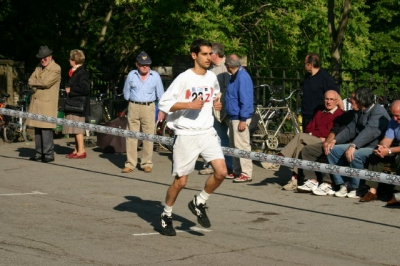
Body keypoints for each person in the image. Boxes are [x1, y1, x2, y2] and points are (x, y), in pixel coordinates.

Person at [157, 39, 227, 236]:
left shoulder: (211, 77)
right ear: (194, 55)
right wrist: (188, 104)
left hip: (206, 132)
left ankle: (199, 201)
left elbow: (215, 96)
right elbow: (164, 104)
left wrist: (217, 104)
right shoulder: (183, 78)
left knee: (221, 172)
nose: (209, 58)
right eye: (204, 54)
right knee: (181, 182)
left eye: (210, 54)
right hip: (186, 134)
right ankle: (166, 214)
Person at [327, 87, 390, 198]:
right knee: (333, 150)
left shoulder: (378, 111)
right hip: (359, 144)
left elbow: (370, 131)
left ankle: (357, 187)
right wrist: (334, 140)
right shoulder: (359, 112)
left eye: (353, 98)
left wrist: (353, 145)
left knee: (355, 154)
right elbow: (350, 129)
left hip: (373, 147)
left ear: (362, 100)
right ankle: (343, 183)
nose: (350, 100)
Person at [296, 92, 359, 196]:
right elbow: (334, 130)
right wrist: (328, 141)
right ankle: (312, 180)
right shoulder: (347, 114)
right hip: (333, 140)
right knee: (307, 150)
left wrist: (334, 142)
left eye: (352, 99)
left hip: (350, 144)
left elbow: (364, 133)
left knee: (331, 150)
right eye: (326, 99)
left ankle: (328, 183)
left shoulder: (342, 113)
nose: (349, 101)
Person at [281, 90, 343, 191]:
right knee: (300, 146)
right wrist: (317, 134)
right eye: (326, 99)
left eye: (331, 99)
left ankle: (280, 157)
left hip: (326, 142)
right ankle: (295, 178)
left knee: (300, 136)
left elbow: (329, 131)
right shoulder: (320, 112)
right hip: (316, 139)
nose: (328, 101)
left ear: (336, 101)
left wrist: (316, 134)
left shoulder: (339, 114)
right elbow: (309, 128)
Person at [121, 51, 165, 173]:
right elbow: (126, 93)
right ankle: (130, 163)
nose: (145, 66)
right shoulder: (131, 75)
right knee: (131, 136)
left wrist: (161, 110)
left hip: (149, 107)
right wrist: (131, 102)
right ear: (137, 64)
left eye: (147, 64)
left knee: (148, 136)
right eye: (142, 64)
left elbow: (161, 94)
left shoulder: (155, 76)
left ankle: (146, 163)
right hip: (133, 106)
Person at [199, 42, 232, 175]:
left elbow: (229, 91)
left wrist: (223, 104)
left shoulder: (227, 67)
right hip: (212, 110)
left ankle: (230, 166)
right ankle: (212, 165)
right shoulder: (209, 69)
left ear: (216, 54)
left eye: (209, 53)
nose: (207, 56)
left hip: (225, 110)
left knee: (227, 138)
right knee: (213, 136)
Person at [359, 100, 400, 204]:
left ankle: (397, 194)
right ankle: (372, 191)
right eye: (393, 115)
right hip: (396, 148)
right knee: (375, 155)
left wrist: (389, 151)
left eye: (398, 116)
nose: (395, 118)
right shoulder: (393, 121)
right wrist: (382, 147)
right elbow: (387, 139)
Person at [27, 46, 61, 163]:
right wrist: (37, 82)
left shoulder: (56, 68)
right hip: (37, 102)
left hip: (47, 103)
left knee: (46, 129)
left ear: (50, 57)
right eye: (41, 58)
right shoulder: (38, 67)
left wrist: (35, 83)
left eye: (44, 58)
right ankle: (39, 153)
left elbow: (46, 83)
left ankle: (48, 154)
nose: (42, 60)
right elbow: (30, 80)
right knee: (37, 129)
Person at [225, 54, 254, 183]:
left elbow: (246, 100)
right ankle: (237, 170)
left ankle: (246, 172)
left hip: (240, 116)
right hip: (233, 116)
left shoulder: (242, 77)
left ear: (229, 66)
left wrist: (243, 119)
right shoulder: (235, 76)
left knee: (242, 145)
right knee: (234, 145)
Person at [63, 49, 91, 159]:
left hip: (78, 105)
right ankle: (76, 150)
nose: (69, 60)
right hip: (73, 104)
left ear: (75, 60)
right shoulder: (74, 71)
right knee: (74, 129)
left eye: (71, 58)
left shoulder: (81, 72)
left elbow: (86, 89)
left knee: (78, 129)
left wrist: (71, 90)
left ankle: (81, 151)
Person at [301, 53, 338, 129]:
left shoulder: (325, 77)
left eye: (305, 63)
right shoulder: (307, 77)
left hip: (318, 116)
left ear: (310, 65)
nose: (304, 65)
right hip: (306, 114)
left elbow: (335, 95)